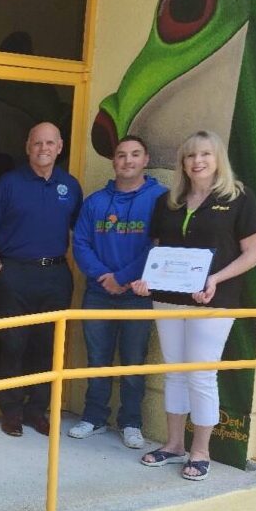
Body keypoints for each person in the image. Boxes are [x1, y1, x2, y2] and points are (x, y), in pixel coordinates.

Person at [131, 131, 256, 480]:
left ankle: (200, 451)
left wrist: (216, 279)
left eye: (205, 154)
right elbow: (160, 251)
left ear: (218, 158)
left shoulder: (238, 197)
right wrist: (149, 281)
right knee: (174, 371)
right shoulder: (169, 201)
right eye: (190, 156)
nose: (197, 161)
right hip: (168, 299)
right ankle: (174, 445)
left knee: (201, 375)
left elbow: (254, 253)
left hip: (214, 301)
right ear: (182, 163)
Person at [0, 122, 83, 437]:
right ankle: (10, 412)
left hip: (55, 275)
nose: (43, 149)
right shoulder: (9, 184)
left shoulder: (71, 186)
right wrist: (0, 270)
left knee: (46, 347)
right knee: (13, 346)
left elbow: (79, 231)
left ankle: (37, 411)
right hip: (16, 274)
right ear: (28, 147)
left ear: (60, 147)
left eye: (50, 143)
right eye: (37, 143)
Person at [69, 136, 167, 448]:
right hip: (98, 292)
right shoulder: (95, 202)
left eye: (135, 154)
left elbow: (158, 245)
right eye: (121, 155)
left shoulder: (160, 198)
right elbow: (80, 244)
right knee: (97, 358)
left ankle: (131, 422)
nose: (128, 161)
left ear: (146, 159)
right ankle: (95, 417)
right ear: (114, 161)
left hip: (137, 293)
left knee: (133, 360)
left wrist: (122, 278)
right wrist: (103, 277)